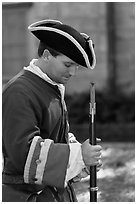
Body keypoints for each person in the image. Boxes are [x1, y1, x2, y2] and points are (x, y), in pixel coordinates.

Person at [2, 19, 102, 202]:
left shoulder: (49, 85)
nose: (73, 72)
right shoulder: (20, 91)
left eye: (76, 66)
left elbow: (54, 135)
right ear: (47, 55)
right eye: (67, 64)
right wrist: (79, 155)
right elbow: (23, 154)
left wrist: (81, 159)